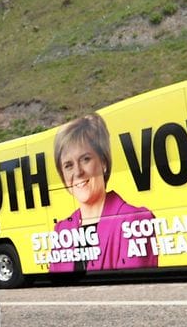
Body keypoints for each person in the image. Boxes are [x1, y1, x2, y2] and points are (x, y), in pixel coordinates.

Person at [49, 113, 157, 272]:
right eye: (68, 165)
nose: (78, 172)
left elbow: (132, 289)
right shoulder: (62, 229)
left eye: (85, 159)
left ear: (103, 162)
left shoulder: (135, 220)